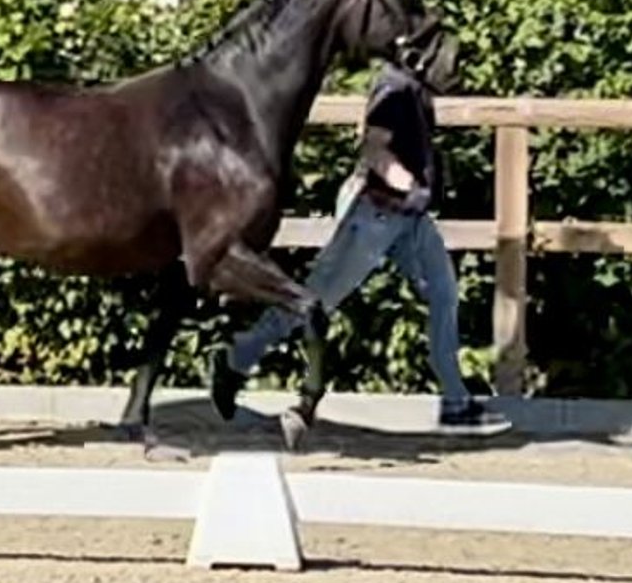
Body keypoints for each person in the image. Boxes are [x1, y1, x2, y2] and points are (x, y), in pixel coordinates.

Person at [209, 58, 513, 435]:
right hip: (375, 217)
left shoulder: (415, 88)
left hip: (412, 220)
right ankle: (238, 357)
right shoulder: (394, 89)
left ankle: (455, 404)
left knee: (444, 295)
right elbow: (373, 149)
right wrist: (407, 183)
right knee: (316, 299)